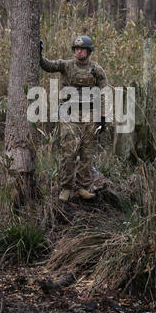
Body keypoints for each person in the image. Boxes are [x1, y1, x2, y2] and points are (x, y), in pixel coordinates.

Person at [40, 35, 108, 202]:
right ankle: (66, 187)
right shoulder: (66, 65)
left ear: (89, 51)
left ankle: (82, 187)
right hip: (69, 112)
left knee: (87, 152)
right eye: (76, 49)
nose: (78, 51)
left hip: (90, 114)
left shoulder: (96, 69)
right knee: (69, 151)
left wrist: (103, 117)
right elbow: (47, 65)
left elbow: (105, 93)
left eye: (82, 49)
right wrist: (38, 53)